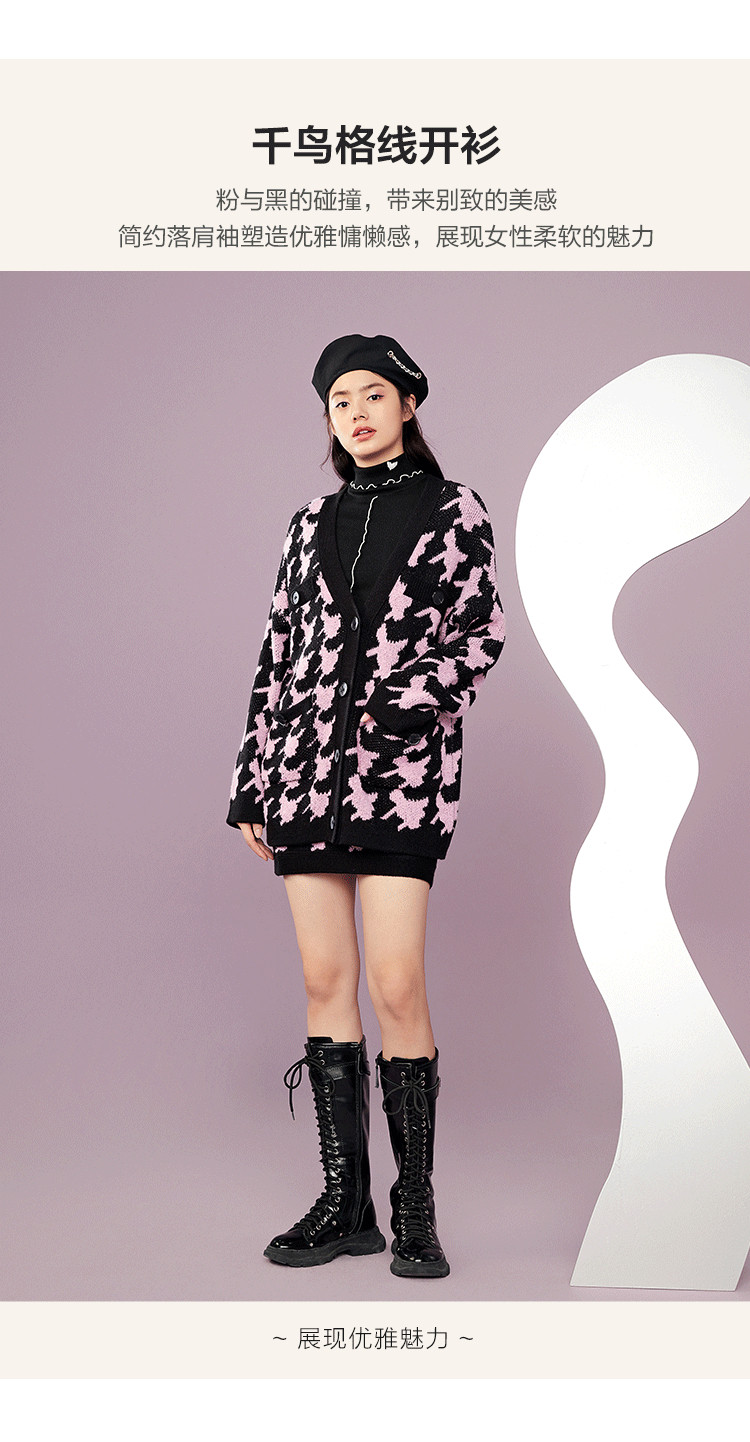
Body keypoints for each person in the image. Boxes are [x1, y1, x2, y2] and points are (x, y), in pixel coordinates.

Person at [226, 333, 505, 1278]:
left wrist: (402, 706)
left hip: (400, 781)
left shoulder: (452, 509)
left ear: (408, 403)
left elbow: (481, 632)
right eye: (339, 400)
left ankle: (415, 1209)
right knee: (323, 983)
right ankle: (346, 1204)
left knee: (394, 984)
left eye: (372, 394)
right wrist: (252, 780)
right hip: (303, 778)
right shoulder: (310, 522)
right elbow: (279, 652)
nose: (355, 412)